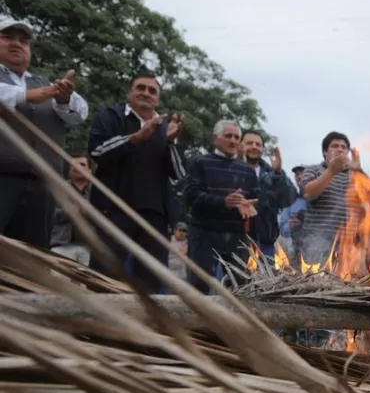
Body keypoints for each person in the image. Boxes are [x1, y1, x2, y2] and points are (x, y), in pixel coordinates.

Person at [88, 73, 184, 292]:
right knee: (104, 276)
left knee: (150, 283)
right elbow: (96, 151)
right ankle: (96, 324)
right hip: (113, 210)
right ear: (130, 92)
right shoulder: (110, 116)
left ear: (158, 100)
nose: (146, 93)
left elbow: (179, 174)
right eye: (141, 88)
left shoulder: (166, 128)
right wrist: (135, 138)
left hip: (155, 217)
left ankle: (143, 326)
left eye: (152, 91)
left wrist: (170, 143)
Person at [0, 18, 89, 248]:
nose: (16, 44)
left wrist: (63, 98)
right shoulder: (36, 89)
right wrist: (27, 96)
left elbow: (81, 113)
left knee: (32, 260)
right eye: (7, 37)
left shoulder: (44, 83)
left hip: (43, 187)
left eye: (23, 41)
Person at [183, 120, 258, 292]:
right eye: (228, 136)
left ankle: (234, 320)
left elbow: (255, 196)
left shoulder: (247, 170)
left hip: (236, 235)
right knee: (198, 283)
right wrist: (223, 202)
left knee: (240, 285)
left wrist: (249, 204)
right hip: (204, 232)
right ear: (215, 138)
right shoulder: (199, 162)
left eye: (236, 137)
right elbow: (190, 196)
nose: (233, 140)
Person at [298, 131, 367, 267]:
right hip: (317, 244)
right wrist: (331, 171)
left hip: (348, 246)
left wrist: (359, 170)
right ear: (325, 152)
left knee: (349, 286)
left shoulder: (355, 175)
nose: (340, 149)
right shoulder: (314, 170)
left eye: (344, 147)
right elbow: (308, 194)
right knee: (317, 285)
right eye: (335, 146)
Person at [239, 131, 297, 257]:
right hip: (233, 241)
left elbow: (290, 199)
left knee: (266, 276)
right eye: (249, 143)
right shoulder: (229, 168)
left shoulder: (272, 174)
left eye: (258, 144)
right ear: (240, 145)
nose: (254, 146)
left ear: (262, 149)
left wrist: (278, 175)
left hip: (265, 242)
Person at [49, 156, 93, 265]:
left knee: (85, 282)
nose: (78, 168)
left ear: (90, 171)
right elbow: (48, 213)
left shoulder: (96, 192)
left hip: (88, 248)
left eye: (82, 165)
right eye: (74, 166)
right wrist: (68, 212)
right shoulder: (59, 188)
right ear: (69, 171)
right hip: (61, 245)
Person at [278, 165, 307, 263]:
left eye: (302, 173)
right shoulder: (291, 202)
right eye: (296, 175)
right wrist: (289, 226)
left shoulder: (322, 198)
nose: (299, 177)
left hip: (322, 251)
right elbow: (282, 229)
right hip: (298, 253)